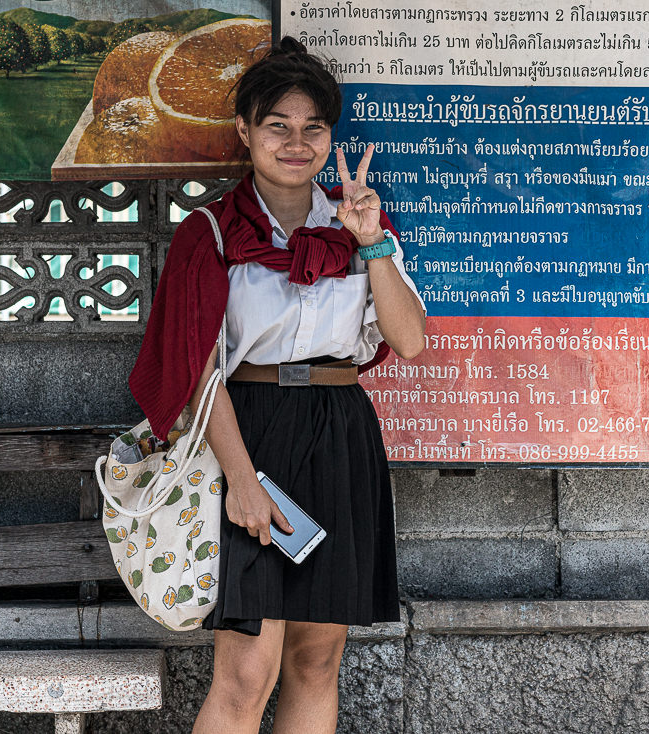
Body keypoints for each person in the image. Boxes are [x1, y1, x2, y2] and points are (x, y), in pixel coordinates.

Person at [128, 37, 427, 733]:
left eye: (313, 128)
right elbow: (197, 370)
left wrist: (372, 240)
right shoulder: (211, 232)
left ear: (330, 136)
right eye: (278, 127)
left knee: (317, 662)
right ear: (245, 132)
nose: (297, 143)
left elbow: (409, 341)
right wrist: (242, 481)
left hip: (338, 433)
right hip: (248, 431)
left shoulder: (360, 227)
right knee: (246, 671)